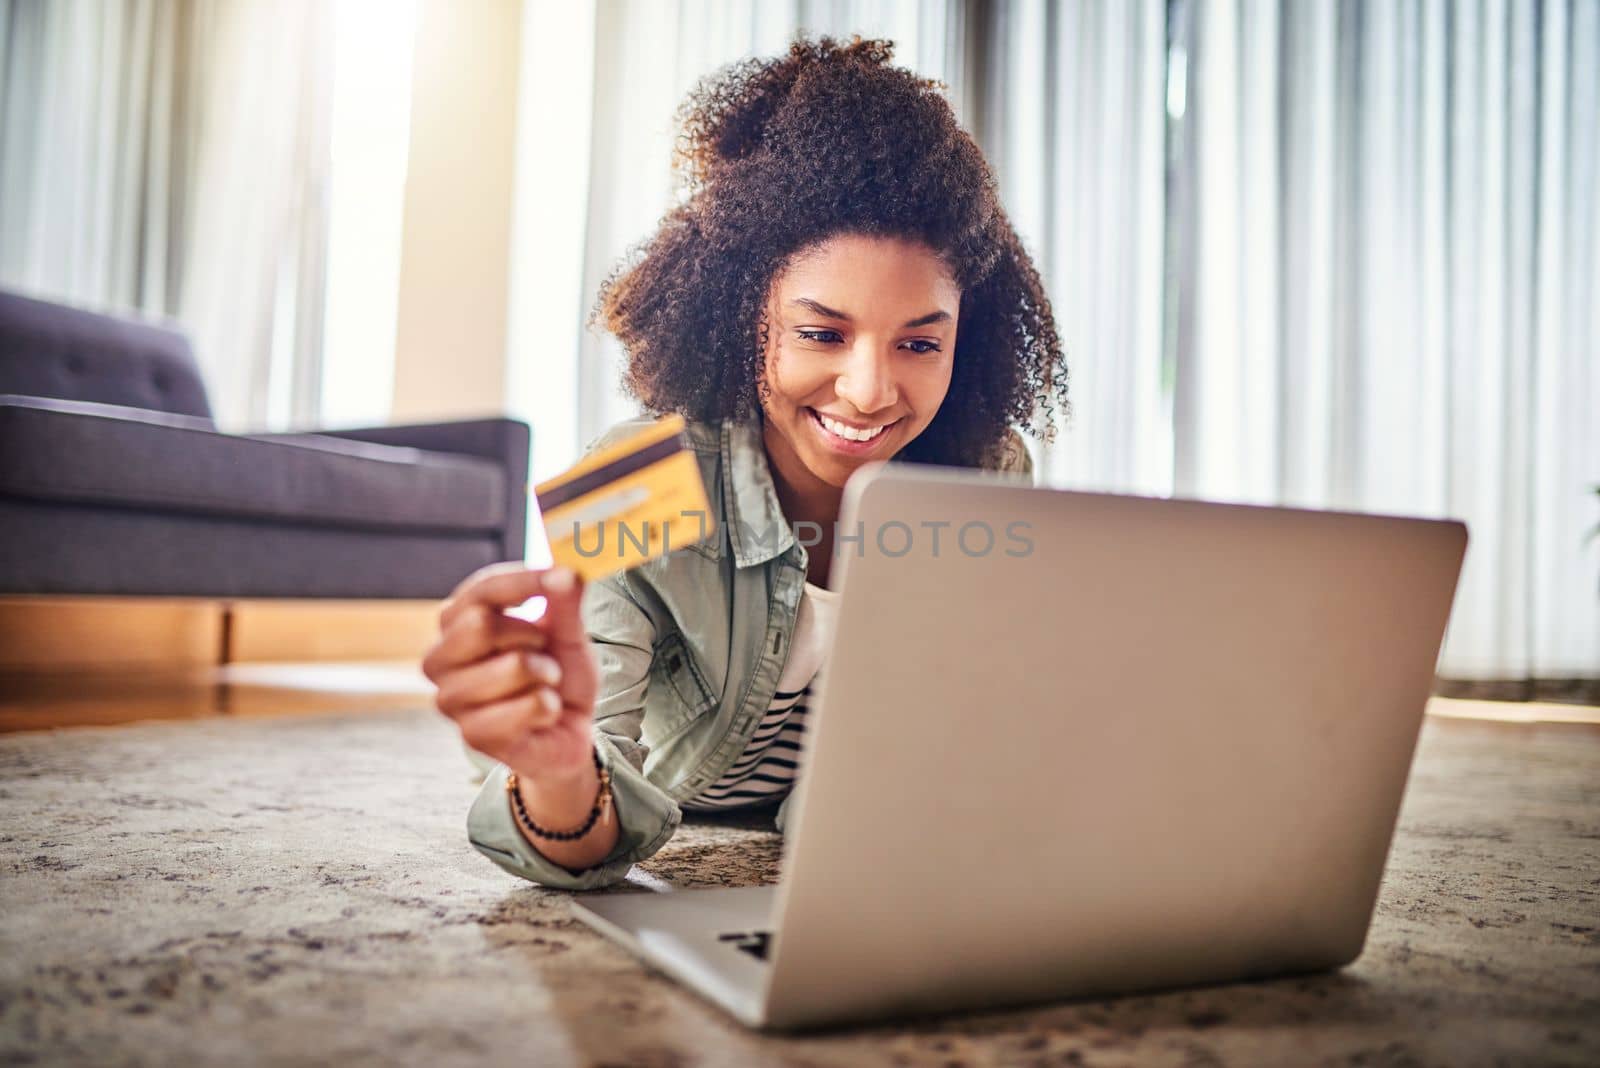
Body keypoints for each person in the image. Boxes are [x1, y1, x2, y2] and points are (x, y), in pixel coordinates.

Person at [422, 36, 1069, 890]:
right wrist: (556, 770)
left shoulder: (987, 467)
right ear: (741, 316)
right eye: (820, 333)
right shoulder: (634, 478)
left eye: (919, 342)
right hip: (683, 812)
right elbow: (578, 823)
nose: (871, 391)